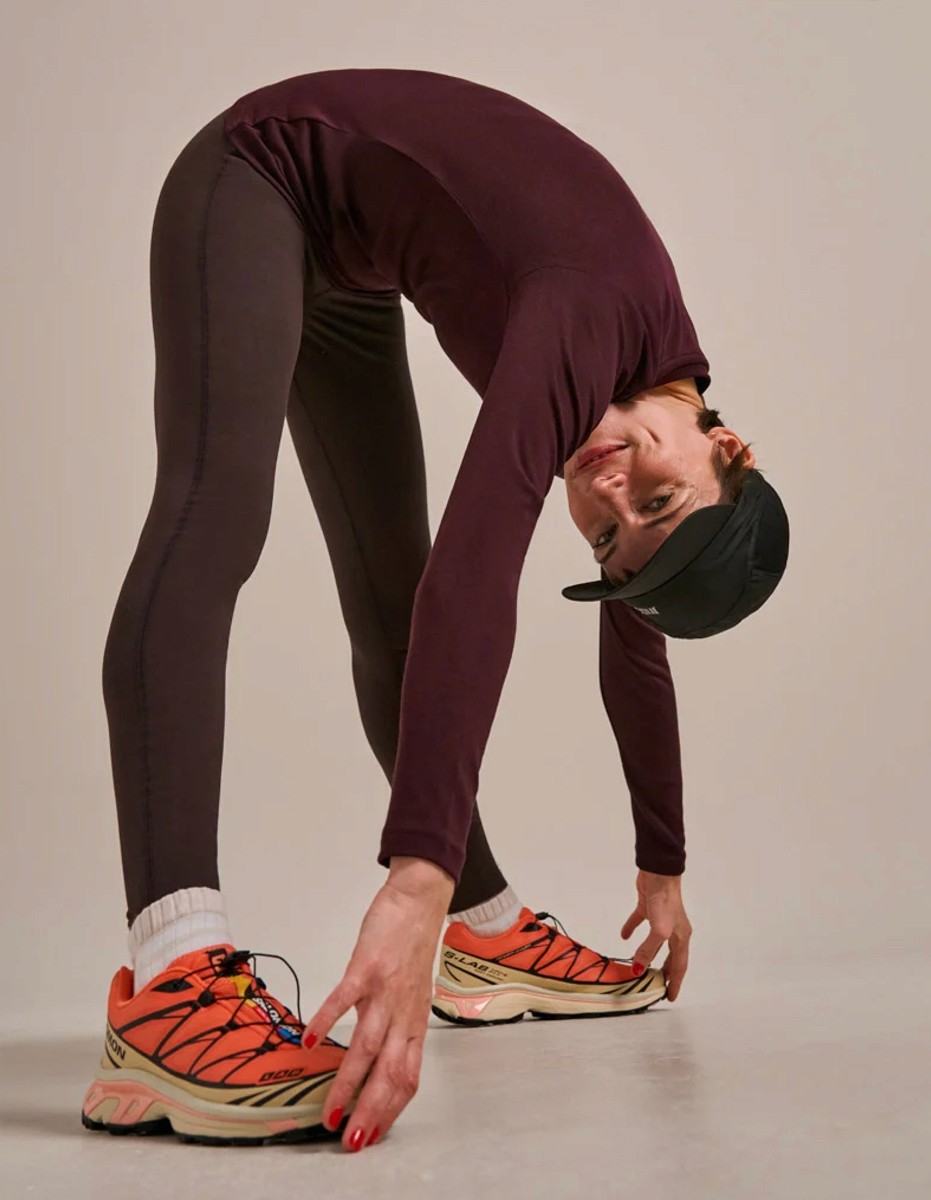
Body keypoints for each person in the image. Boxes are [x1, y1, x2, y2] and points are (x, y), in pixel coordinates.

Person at [81, 67, 789, 1154]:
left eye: (608, 539)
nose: (606, 494)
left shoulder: (646, 404)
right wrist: (412, 881)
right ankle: (168, 982)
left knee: (389, 597)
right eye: (651, 500)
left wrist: (663, 863)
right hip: (253, 179)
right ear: (726, 446)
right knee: (215, 515)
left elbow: (634, 642)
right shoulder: (586, 323)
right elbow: (474, 579)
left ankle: (483, 932)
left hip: (347, 263)